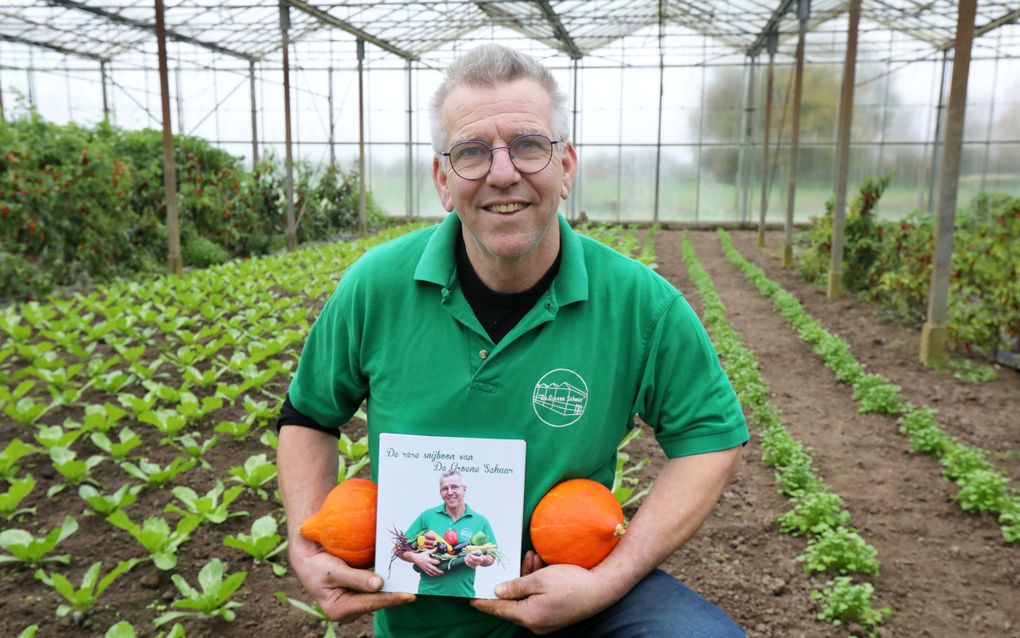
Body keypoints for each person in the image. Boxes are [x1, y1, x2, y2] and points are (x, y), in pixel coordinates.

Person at [276, 43, 749, 638]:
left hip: (576, 593)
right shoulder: (377, 286)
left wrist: (610, 578)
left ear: (566, 166)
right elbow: (309, 416)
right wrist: (307, 543)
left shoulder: (642, 305)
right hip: (420, 612)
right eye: (472, 152)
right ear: (443, 180)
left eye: (528, 145)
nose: (503, 173)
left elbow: (710, 440)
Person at [400, 470, 497, 597]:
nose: (450, 492)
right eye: (445, 488)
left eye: (455, 487)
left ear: (464, 489)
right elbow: (398, 548)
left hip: (464, 595)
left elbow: (492, 556)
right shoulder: (427, 516)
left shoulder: (480, 521)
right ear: (440, 493)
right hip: (428, 594)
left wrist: (481, 559)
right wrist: (415, 558)